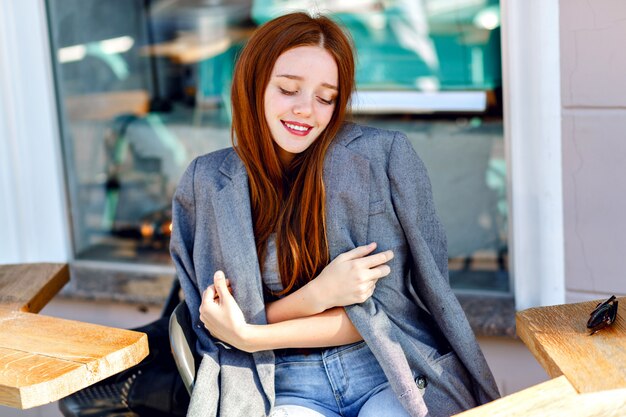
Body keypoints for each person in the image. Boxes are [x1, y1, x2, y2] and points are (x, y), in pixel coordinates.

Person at [170, 12, 499, 417]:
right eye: (289, 89)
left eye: (326, 98)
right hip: (275, 381)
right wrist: (316, 296)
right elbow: (217, 323)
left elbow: (379, 314)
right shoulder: (206, 182)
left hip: (384, 366)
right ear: (254, 85)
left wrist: (250, 332)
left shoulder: (378, 159)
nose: (306, 110)